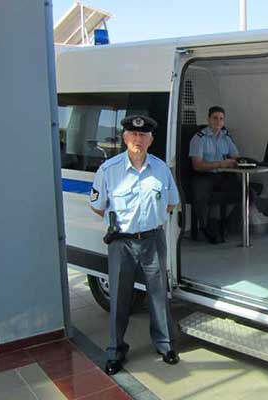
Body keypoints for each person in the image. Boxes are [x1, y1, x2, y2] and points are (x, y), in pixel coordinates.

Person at [89, 115, 180, 375]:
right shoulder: (109, 170)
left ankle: (165, 345)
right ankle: (115, 351)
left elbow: (171, 202)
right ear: (125, 137)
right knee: (119, 298)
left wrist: (150, 221)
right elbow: (97, 206)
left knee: (158, 294)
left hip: (153, 239)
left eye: (143, 135)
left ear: (151, 139)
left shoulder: (161, 169)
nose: (137, 139)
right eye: (133, 134)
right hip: (121, 243)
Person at [189, 105, 241, 244]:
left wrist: (235, 162)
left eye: (221, 119)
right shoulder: (199, 138)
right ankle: (205, 227)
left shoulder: (226, 137)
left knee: (248, 193)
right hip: (204, 175)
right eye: (215, 118)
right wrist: (220, 164)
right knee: (200, 196)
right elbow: (197, 165)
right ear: (208, 119)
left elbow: (236, 156)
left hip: (223, 175)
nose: (218, 121)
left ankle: (226, 226)